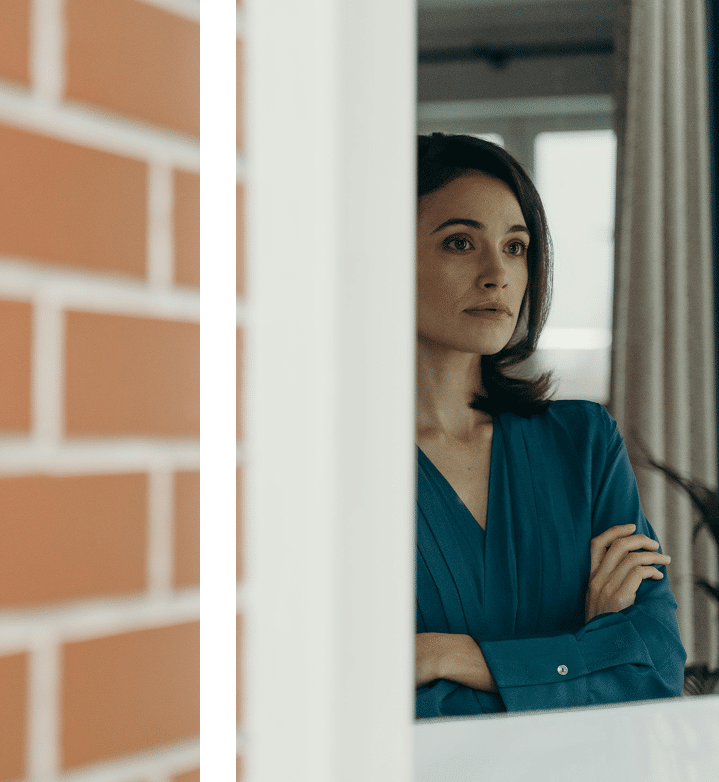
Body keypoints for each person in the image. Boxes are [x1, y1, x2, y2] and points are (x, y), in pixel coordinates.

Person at [414, 133, 686, 718]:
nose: (499, 274)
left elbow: (655, 665)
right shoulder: (326, 466)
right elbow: (359, 702)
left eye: (516, 247)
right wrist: (581, 653)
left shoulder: (583, 443)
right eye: (461, 242)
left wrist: (453, 655)